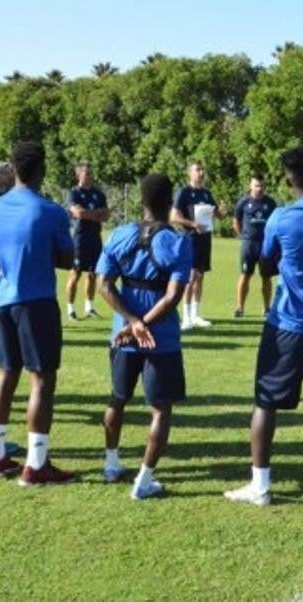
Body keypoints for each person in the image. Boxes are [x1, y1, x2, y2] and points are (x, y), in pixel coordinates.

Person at [224, 147, 303, 506]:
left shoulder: (281, 218)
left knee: (265, 402)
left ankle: (261, 487)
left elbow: (266, 266)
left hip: (286, 325)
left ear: (286, 179)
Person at [0, 141, 77, 484]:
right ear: (42, 170)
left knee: (6, 374)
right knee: (41, 379)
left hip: (3, 299)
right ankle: (36, 464)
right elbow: (67, 260)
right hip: (36, 300)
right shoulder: (49, 210)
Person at [98, 173, 193, 499]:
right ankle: (144, 479)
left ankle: (111, 464)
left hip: (122, 334)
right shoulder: (178, 242)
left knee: (118, 398)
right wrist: (144, 324)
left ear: (141, 201)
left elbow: (103, 285)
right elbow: (173, 296)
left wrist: (131, 321)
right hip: (161, 338)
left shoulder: (119, 235)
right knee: (160, 409)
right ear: (170, 203)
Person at [171, 161, 222, 330]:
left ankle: (196, 314)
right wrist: (193, 224)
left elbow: (217, 215)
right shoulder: (184, 192)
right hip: (190, 238)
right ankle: (185, 318)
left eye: (202, 169)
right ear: (189, 173)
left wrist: (222, 211)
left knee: (200, 276)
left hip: (205, 239)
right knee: (190, 278)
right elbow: (174, 217)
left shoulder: (207, 193)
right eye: (197, 170)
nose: (201, 172)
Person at [65, 161, 110, 321]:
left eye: (91, 173)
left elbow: (106, 215)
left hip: (95, 238)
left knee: (92, 274)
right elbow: (78, 213)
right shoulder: (74, 193)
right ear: (79, 175)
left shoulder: (99, 194)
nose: (90, 176)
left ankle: (89, 308)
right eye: (86, 173)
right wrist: (95, 214)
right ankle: (70, 310)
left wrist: (89, 214)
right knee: (75, 274)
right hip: (80, 238)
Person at [232, 174, 279, 318]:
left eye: (262, 186)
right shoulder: (243, 202)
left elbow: (276, 221)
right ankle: (240, 308)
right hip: (249, 245)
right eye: (257, 185)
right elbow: (236, 222)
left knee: (266, 277)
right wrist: (244, 236)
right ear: (250, 186)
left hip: (265, 244)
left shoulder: (270, 203)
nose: (260, 188)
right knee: (245, 275)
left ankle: (267, 308)